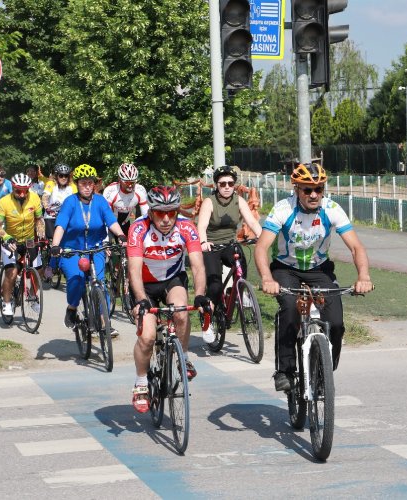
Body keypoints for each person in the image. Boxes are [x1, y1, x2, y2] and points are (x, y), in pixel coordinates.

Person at [253, 162, 374, 393]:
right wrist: (267, 278)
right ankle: (285, 370)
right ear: (296, 189)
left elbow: (357, 248)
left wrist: (364, 276)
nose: (314, 194)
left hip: (319, 270)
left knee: (336, 323)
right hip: (285, 268)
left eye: (319, 188)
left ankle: (325, 371)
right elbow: (261, 248)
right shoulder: (283, 209)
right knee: (290, 309)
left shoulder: (332, 209)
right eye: (307, 189)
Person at [127, 186, 212, 413]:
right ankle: (141, 383)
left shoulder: (186, 227)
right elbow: (133, 270)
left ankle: (183, 357)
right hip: (144, 286)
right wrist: (140, 300)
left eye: (171, 212)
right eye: (160, 213)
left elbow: (197, 265)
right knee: (147, 337)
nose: (166, 219)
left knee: (181, 313)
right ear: (151, 211)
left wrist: (201, 295)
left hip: (172, 280)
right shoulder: (138, 229)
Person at [49, 164, 126, 330]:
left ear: (94, 184)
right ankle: (72, 308)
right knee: (76, 280)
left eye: (90, 183)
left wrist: (121, 236)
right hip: (72, 251)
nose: (87, 186)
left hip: (95, 248)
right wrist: (55, 245)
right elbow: (61, 225)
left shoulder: (100, 201)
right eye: (83, 183)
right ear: (77, 184)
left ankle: (104, 323)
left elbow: (111, 221)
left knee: (100, 283)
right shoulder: (70, 202)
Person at [196, 165, 262, 340]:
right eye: (222, 183)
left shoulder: (238, 200)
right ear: (216, 185)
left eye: (230, 183)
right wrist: (203, 242)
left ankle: (242, 291)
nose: (226, 187)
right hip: (212, 246)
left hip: (229, 244)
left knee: (240, 260)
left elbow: (252, 222)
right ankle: (208, 321)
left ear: (234, 185)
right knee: (215, 285)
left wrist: (262, 237)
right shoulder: (210, 202)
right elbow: (201, 226)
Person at [0, 173, 46, 316]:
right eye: (18, 191)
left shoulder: (34, 198)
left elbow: (39, 219)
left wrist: (41, 234)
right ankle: (7, 302)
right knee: (12, 272)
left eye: (25, 191)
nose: (22, 195)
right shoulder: (4, 202)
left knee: (39, 269)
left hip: (29, 239)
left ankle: (33, 296)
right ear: (13, 188)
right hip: (11, 240)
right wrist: (7, 237)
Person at [42, 163, 77, 277]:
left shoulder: (72, 187)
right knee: (54, 243)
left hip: (65, 218)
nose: (63, 178)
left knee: (66, 242)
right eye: (61, 175)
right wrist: (47, 207)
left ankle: (65, 265)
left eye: (66, 176)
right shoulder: (51, 184)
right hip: (51, 217)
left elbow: (77, 200)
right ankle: (50, 266)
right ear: (56, 176)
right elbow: (45, 197)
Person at [102, 163, 148, 235]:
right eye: (127, 182)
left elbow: (146, 215)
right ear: (119, 180)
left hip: (126, 220)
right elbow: (106, 216)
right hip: (112, 219)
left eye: (132, 182)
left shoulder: (140, 190)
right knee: (108, 243)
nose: (130, 185)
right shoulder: (110, 191)